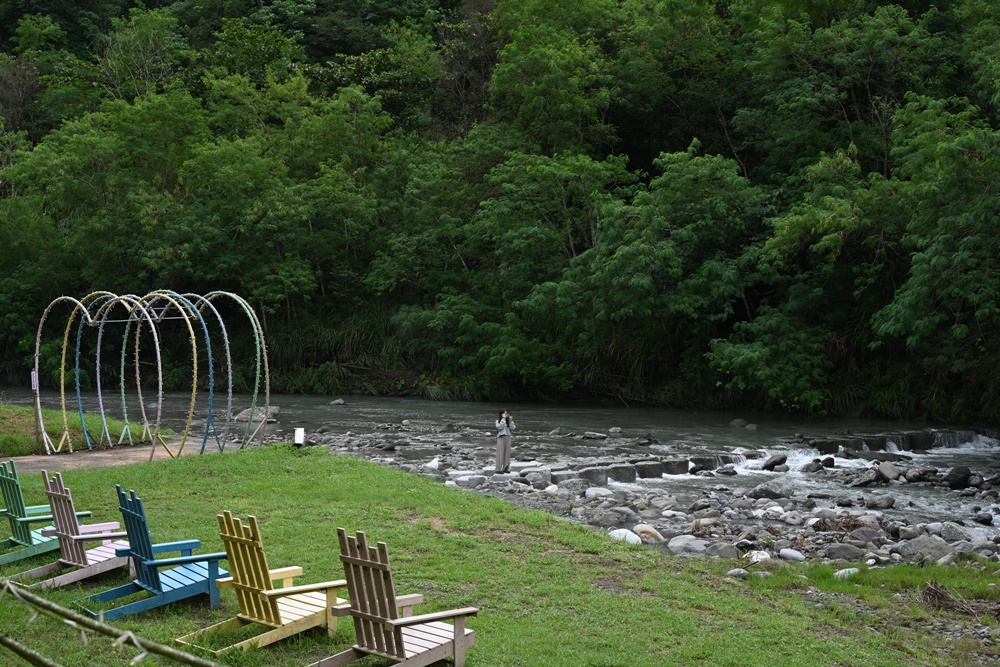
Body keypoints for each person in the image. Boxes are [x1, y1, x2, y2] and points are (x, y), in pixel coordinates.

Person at [495, 409, 515, 473]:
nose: (506, 415)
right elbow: (500, 427)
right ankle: (498, 469)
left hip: (508, 437)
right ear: (501, 414)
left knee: (507, 453)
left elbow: (513, 428)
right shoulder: (498, 421)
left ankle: (505, 468)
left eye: (506, 414)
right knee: (500, 453)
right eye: (505, 414)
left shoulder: (508, 422)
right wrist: (503, 419)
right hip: (501, 437)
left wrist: (511, 421)